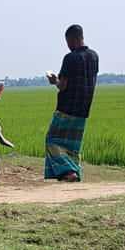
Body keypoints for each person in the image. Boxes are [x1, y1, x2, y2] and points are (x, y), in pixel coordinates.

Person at [44, 24, 99, 182]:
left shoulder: (70, 58)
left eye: (68, 42)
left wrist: (54, 80)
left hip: (67, 108)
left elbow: (63, 86)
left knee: (51, 140)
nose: (68, 46)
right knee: (74, 147)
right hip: (83, 109)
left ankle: (69, 171)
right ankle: (73, 174)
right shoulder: (94, 56)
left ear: (73, 40)